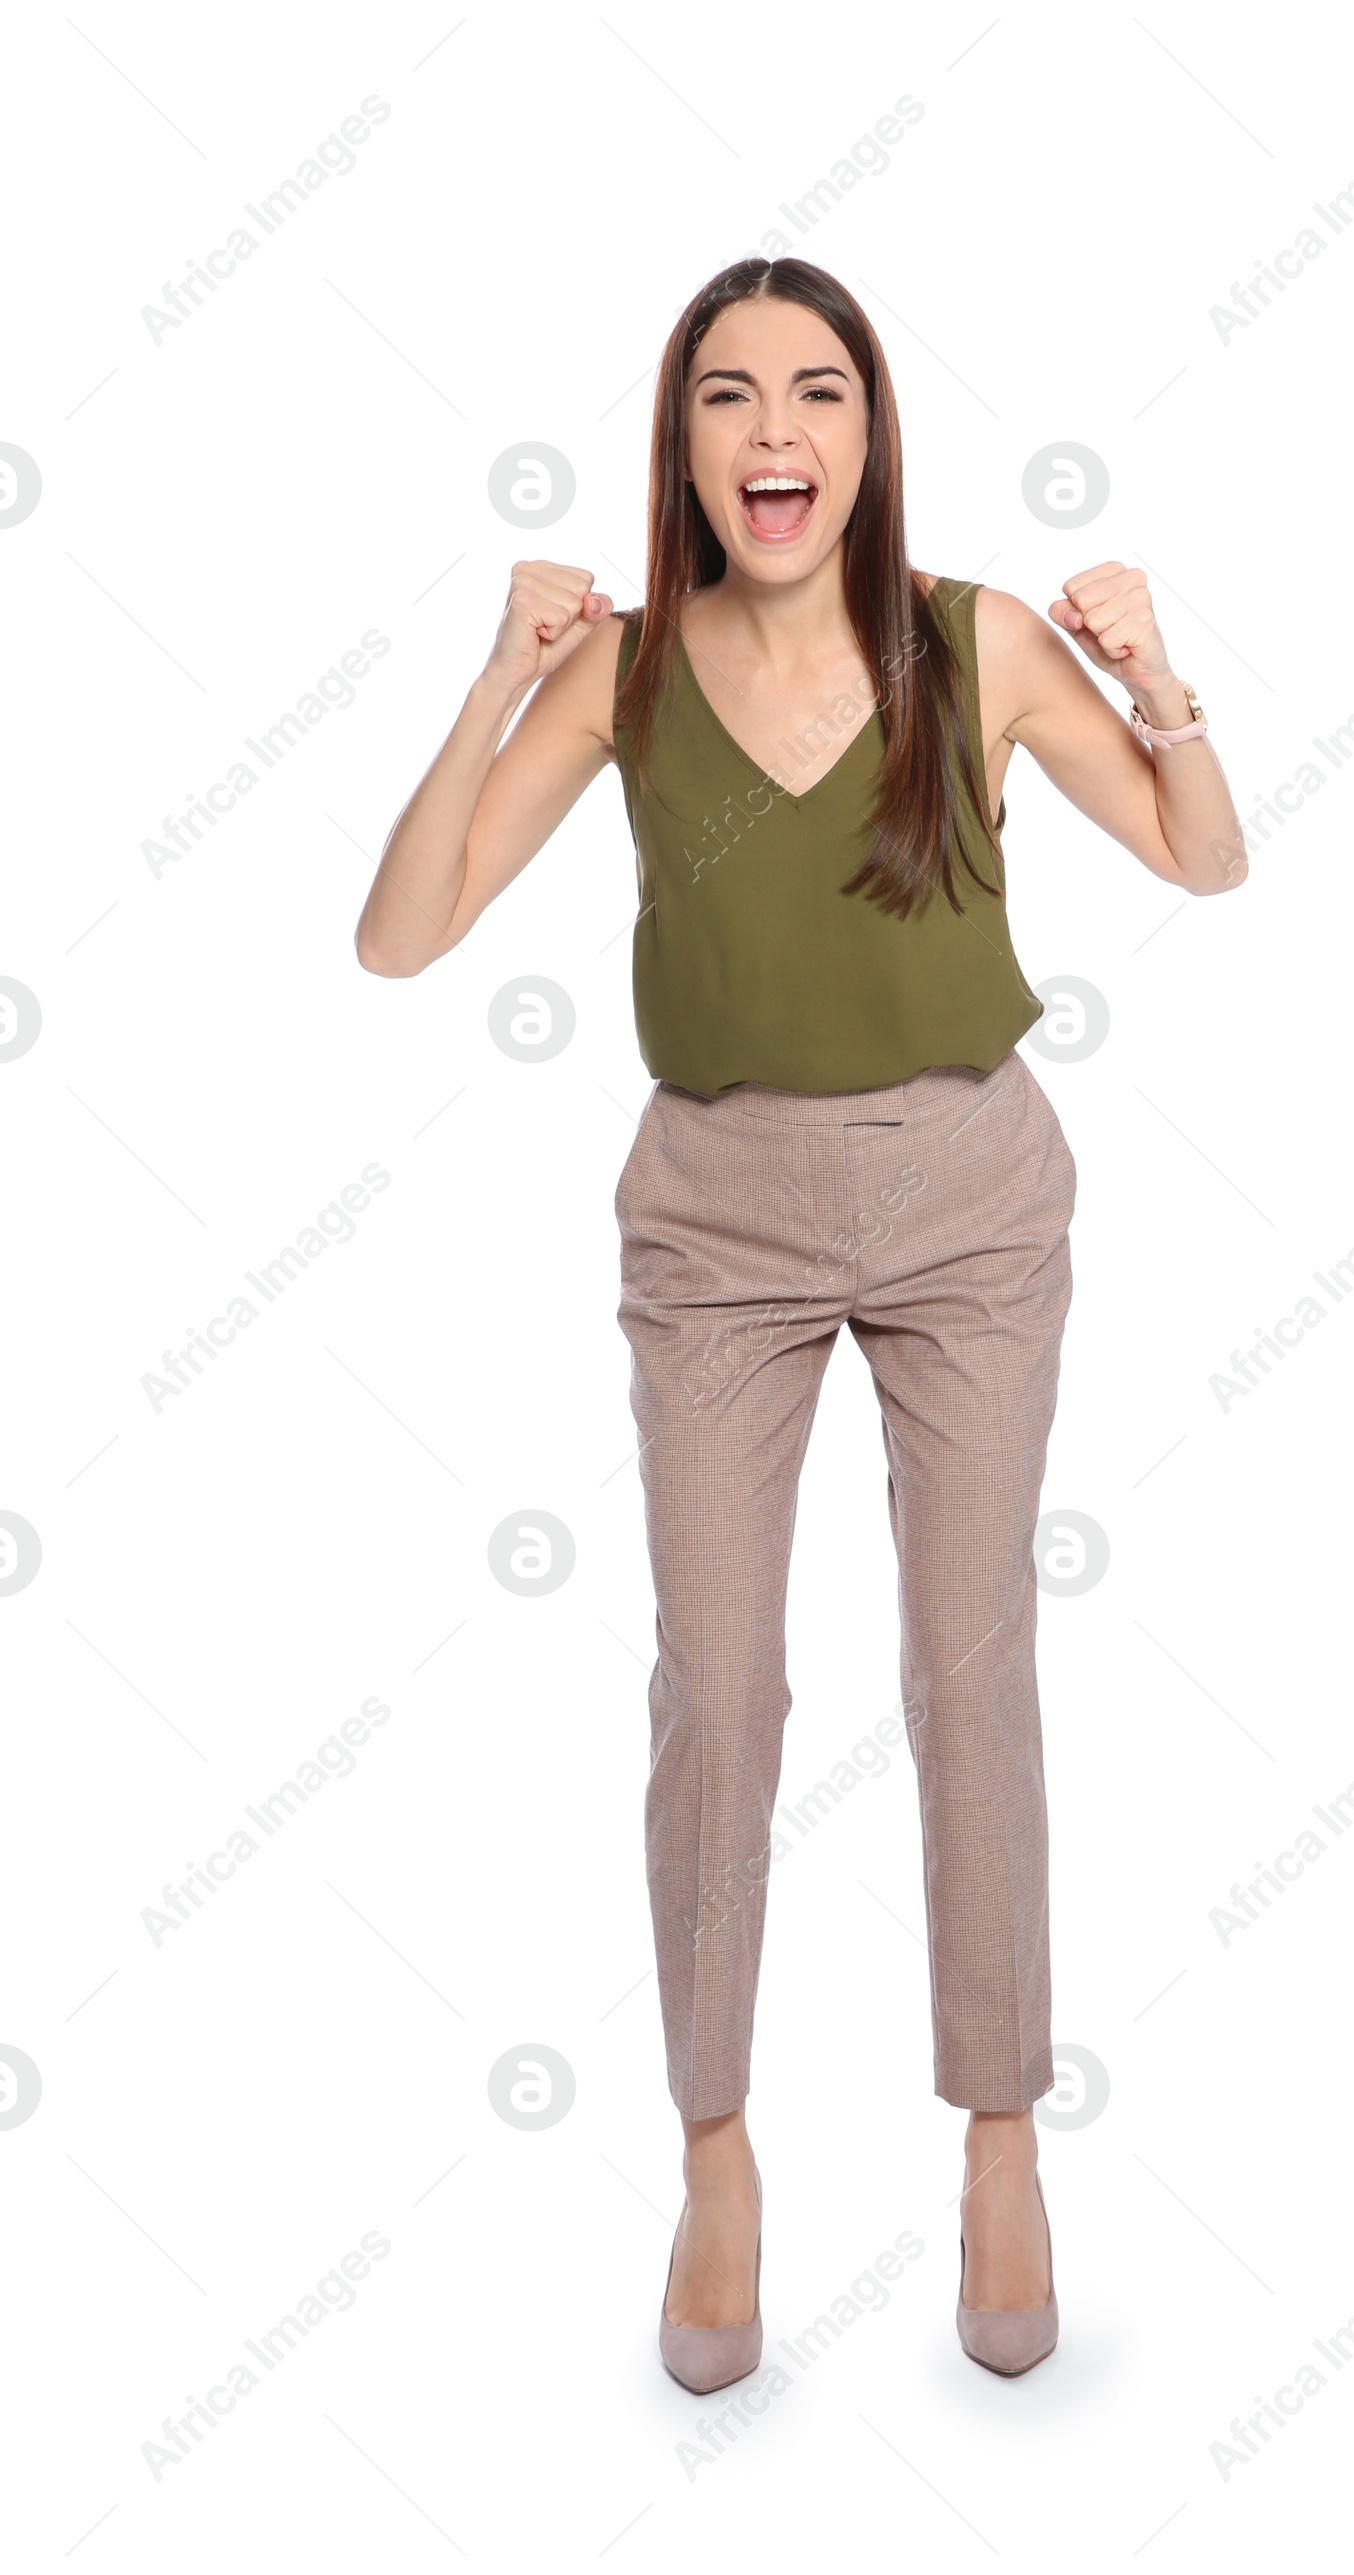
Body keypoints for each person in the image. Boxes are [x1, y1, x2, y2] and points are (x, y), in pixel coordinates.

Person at [355, 255, 1247, 2389]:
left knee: (967, 1669)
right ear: (678, 441)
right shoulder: (627, 675)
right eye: (730, 397)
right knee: (725, 1689)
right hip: (717, 1222)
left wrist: (1164, 687)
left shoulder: (975, 641)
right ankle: (715, 2144)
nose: (776, 436)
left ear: (867, 432)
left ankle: (1001, 2132)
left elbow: (1200, 862)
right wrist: (492, 679)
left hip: (966, 1202)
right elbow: (397, 937)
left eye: (817, 394)